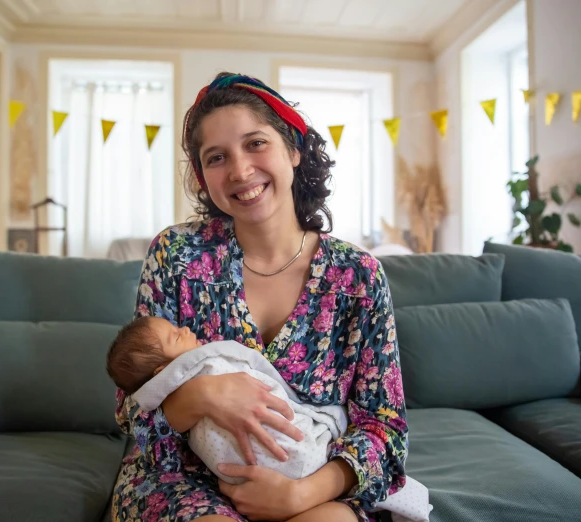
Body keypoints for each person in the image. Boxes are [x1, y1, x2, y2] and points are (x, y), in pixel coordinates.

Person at [112, 72, 408, 522]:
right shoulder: (174, 255)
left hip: (311, 484)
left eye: (255, 143)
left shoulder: (358, 276)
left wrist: (300, 495)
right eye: (216, 157)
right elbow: (133, 412)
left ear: (293, 148)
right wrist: (203, 397)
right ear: (203, 177)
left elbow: (384, 429)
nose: (240, 171)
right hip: (184, 481)